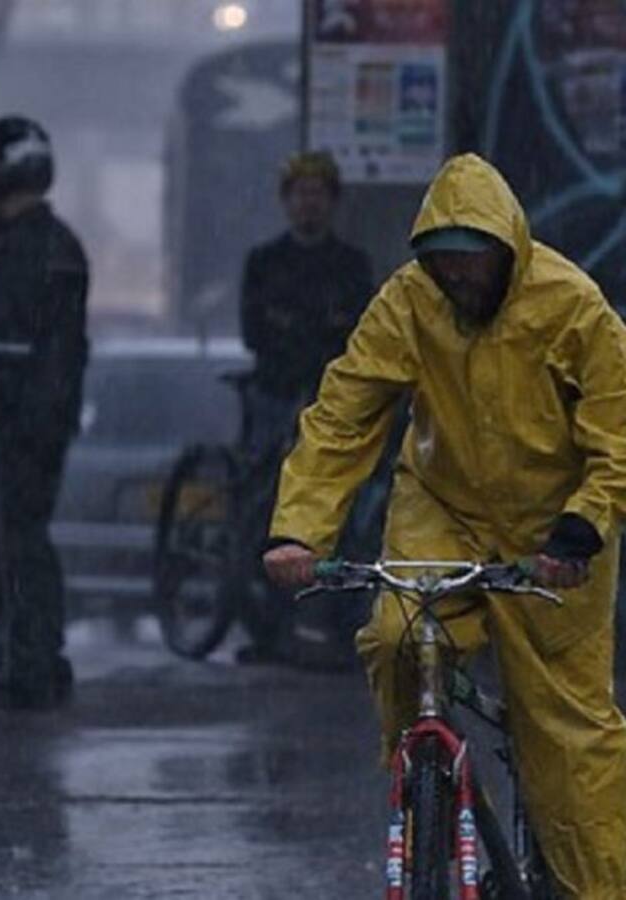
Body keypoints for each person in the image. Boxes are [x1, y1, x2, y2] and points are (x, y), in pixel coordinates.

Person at [263, 153, 626, 898]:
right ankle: (428, 777)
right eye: (442, 265)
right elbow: (345, 412)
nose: (456, 279)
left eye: (470, 263)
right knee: (399, 639)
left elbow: (616, 436)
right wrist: (299, 529)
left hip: (552, 536)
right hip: (444, 509)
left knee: (569, 738)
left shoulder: (574, 307)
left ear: (507, 252)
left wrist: (581, 530)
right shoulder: (408, 302)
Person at [0, 115, 90, 713]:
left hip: (13, 429)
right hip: (47, 422)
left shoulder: (19, 251)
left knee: (5, 550)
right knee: (28, 544)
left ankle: (18, 668)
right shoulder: (61, 244)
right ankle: (40, 660)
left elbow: (5, 356)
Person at [236, 151, 376, 666]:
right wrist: (311, 332)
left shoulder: (350, 264)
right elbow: (257, 331)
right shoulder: (265, 261)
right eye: (300, 194)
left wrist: (297, 329)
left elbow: (357, 333)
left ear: (332, 201)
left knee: (348, 513)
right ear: (286, 202)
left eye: (317, 194)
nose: (308, 204)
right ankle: (269, 627)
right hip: (276, 394)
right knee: (266, 510)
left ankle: (340, 628)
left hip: (330, 397)